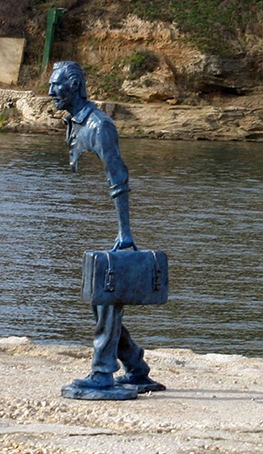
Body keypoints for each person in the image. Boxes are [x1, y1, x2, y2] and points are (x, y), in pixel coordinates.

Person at [49, 61, 164, 392]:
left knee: (105, 292)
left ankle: (102, 372)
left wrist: (125, 232)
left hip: (118, 228)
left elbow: (119, 179)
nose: (50, 92)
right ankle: (135, 364)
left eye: (57, 85)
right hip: (95, 222)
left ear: (75, 86)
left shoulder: (99, 126)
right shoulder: (75, 122)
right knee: (99, 295)